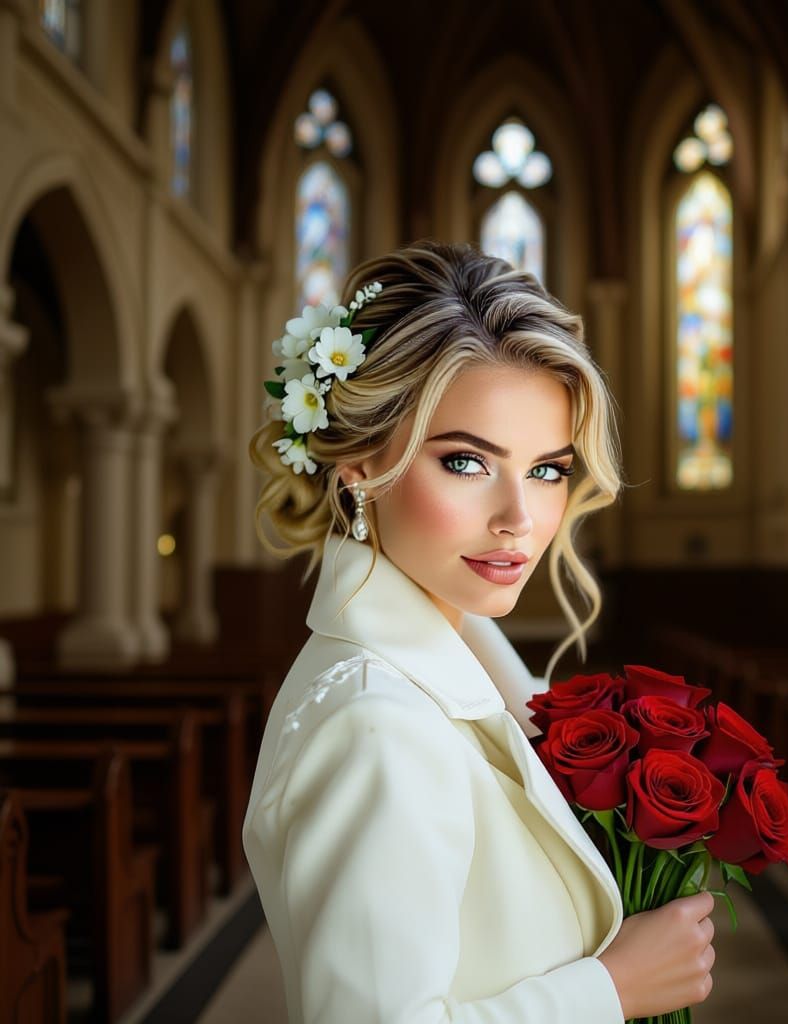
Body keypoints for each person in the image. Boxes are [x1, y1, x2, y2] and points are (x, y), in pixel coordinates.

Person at [242, 240, 715, 1023]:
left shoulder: (445, 660)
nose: (519, 520)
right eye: (467, 462)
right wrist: (613, 989)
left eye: (549, 469)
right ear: (359, 467)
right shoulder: (378, 724)